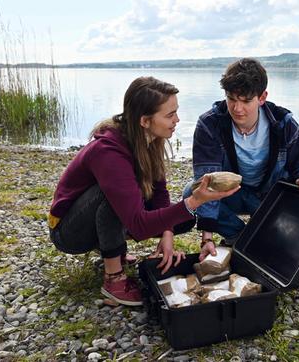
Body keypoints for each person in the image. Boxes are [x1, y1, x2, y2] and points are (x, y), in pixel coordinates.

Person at [48, 77, 239, 306]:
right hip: (70, 232)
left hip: (97, 220)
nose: (177, 120)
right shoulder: (108, 151)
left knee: (181, 221)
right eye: (169, 115)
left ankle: (114, 249)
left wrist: (167, 234)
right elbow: (138, 223)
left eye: (176, 112)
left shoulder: (148, 139)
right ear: (145, 120)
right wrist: (194, 201)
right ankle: (113, 278)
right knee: (112, 198)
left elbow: (159, 193)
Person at [184, 58, 299, 260]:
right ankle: (241, 237)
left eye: (246, 101)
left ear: (262, 97)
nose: (237, 108)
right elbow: (206, 183)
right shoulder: (209, 123)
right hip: (232, 194)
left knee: (291, 233)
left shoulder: (284, 122)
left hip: (270, 197)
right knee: (190, 190)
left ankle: (261, 234)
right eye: (231, 99)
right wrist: (207, 237)